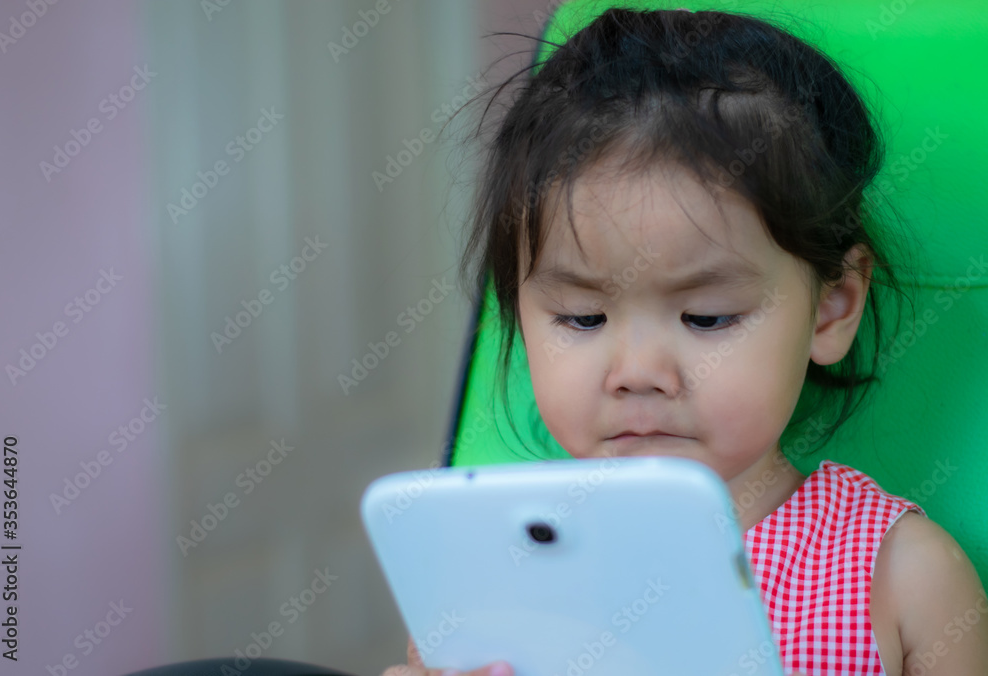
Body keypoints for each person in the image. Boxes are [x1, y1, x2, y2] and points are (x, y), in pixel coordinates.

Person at [383, 4, 988, 675]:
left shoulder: (900, 578)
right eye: (583, 318)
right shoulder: (493, 577)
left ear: (830, 309)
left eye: (705, 318)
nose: (638, 371)